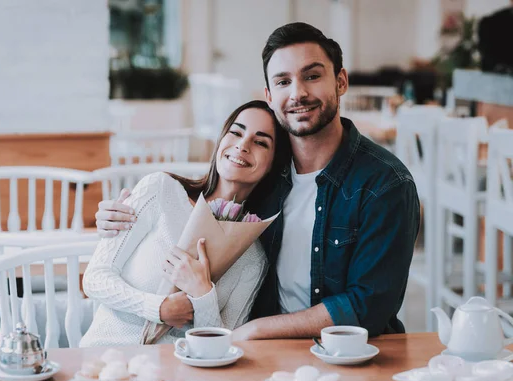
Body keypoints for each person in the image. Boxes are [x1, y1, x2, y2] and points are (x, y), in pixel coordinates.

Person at [96, 23, 420, 340]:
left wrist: (257, 330)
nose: (298, 93)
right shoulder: (266, 180)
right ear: (269, 95)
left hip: (349, 350)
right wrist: (120, 216)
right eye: (283, 81)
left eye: (312, 75)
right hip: (262, 355)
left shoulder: (385, 184)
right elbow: (215, 189)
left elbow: (369, 306)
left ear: (341, 81)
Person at [80, 100, 290, 347]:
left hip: (180, 378)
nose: (243, 145)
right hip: (106, 362)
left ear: (274, 164)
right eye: (236, 132)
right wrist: (159, 308)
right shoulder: (159, 190)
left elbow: (224, 346)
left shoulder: (253, 258)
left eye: (260, 142)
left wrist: (203, 294)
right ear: (221, 140)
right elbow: (94, 278)